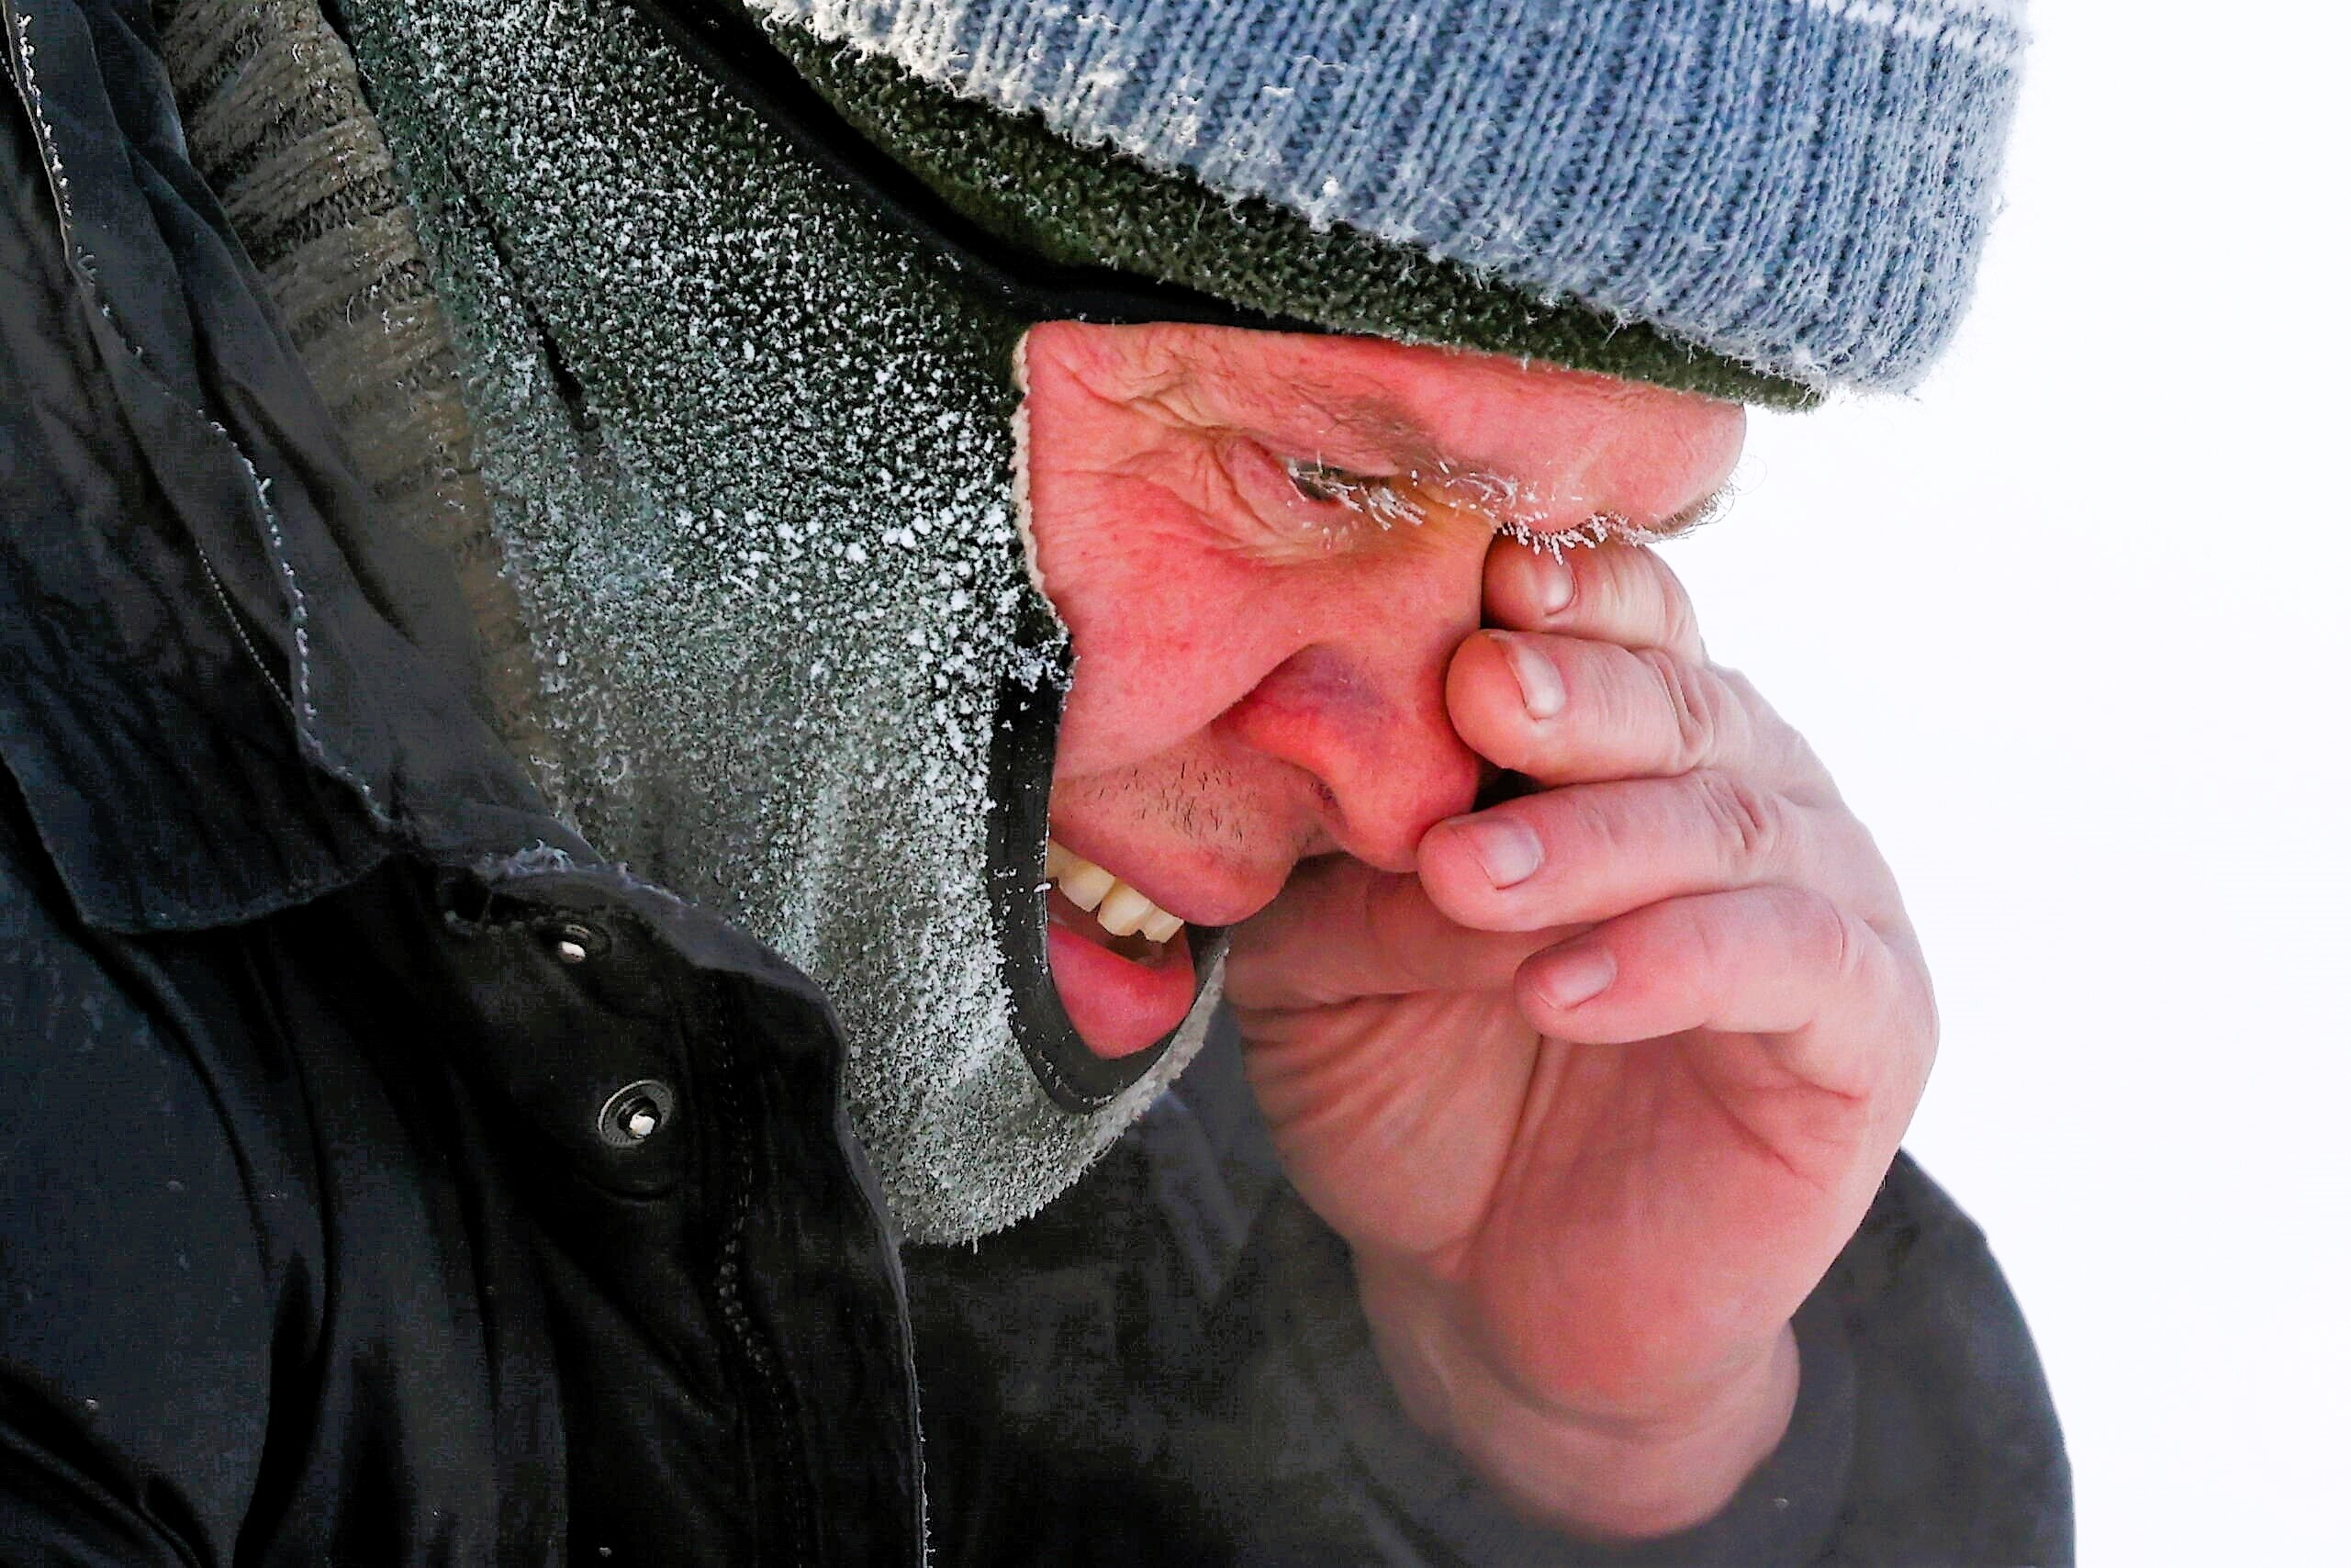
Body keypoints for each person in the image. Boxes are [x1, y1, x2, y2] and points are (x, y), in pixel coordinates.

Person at [0, 0, 2068, 1562]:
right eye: (1318, 475)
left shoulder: (976, 984)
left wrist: (1565, 1446)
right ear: (655, 231)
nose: (1429, 789)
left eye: (1592, 561)